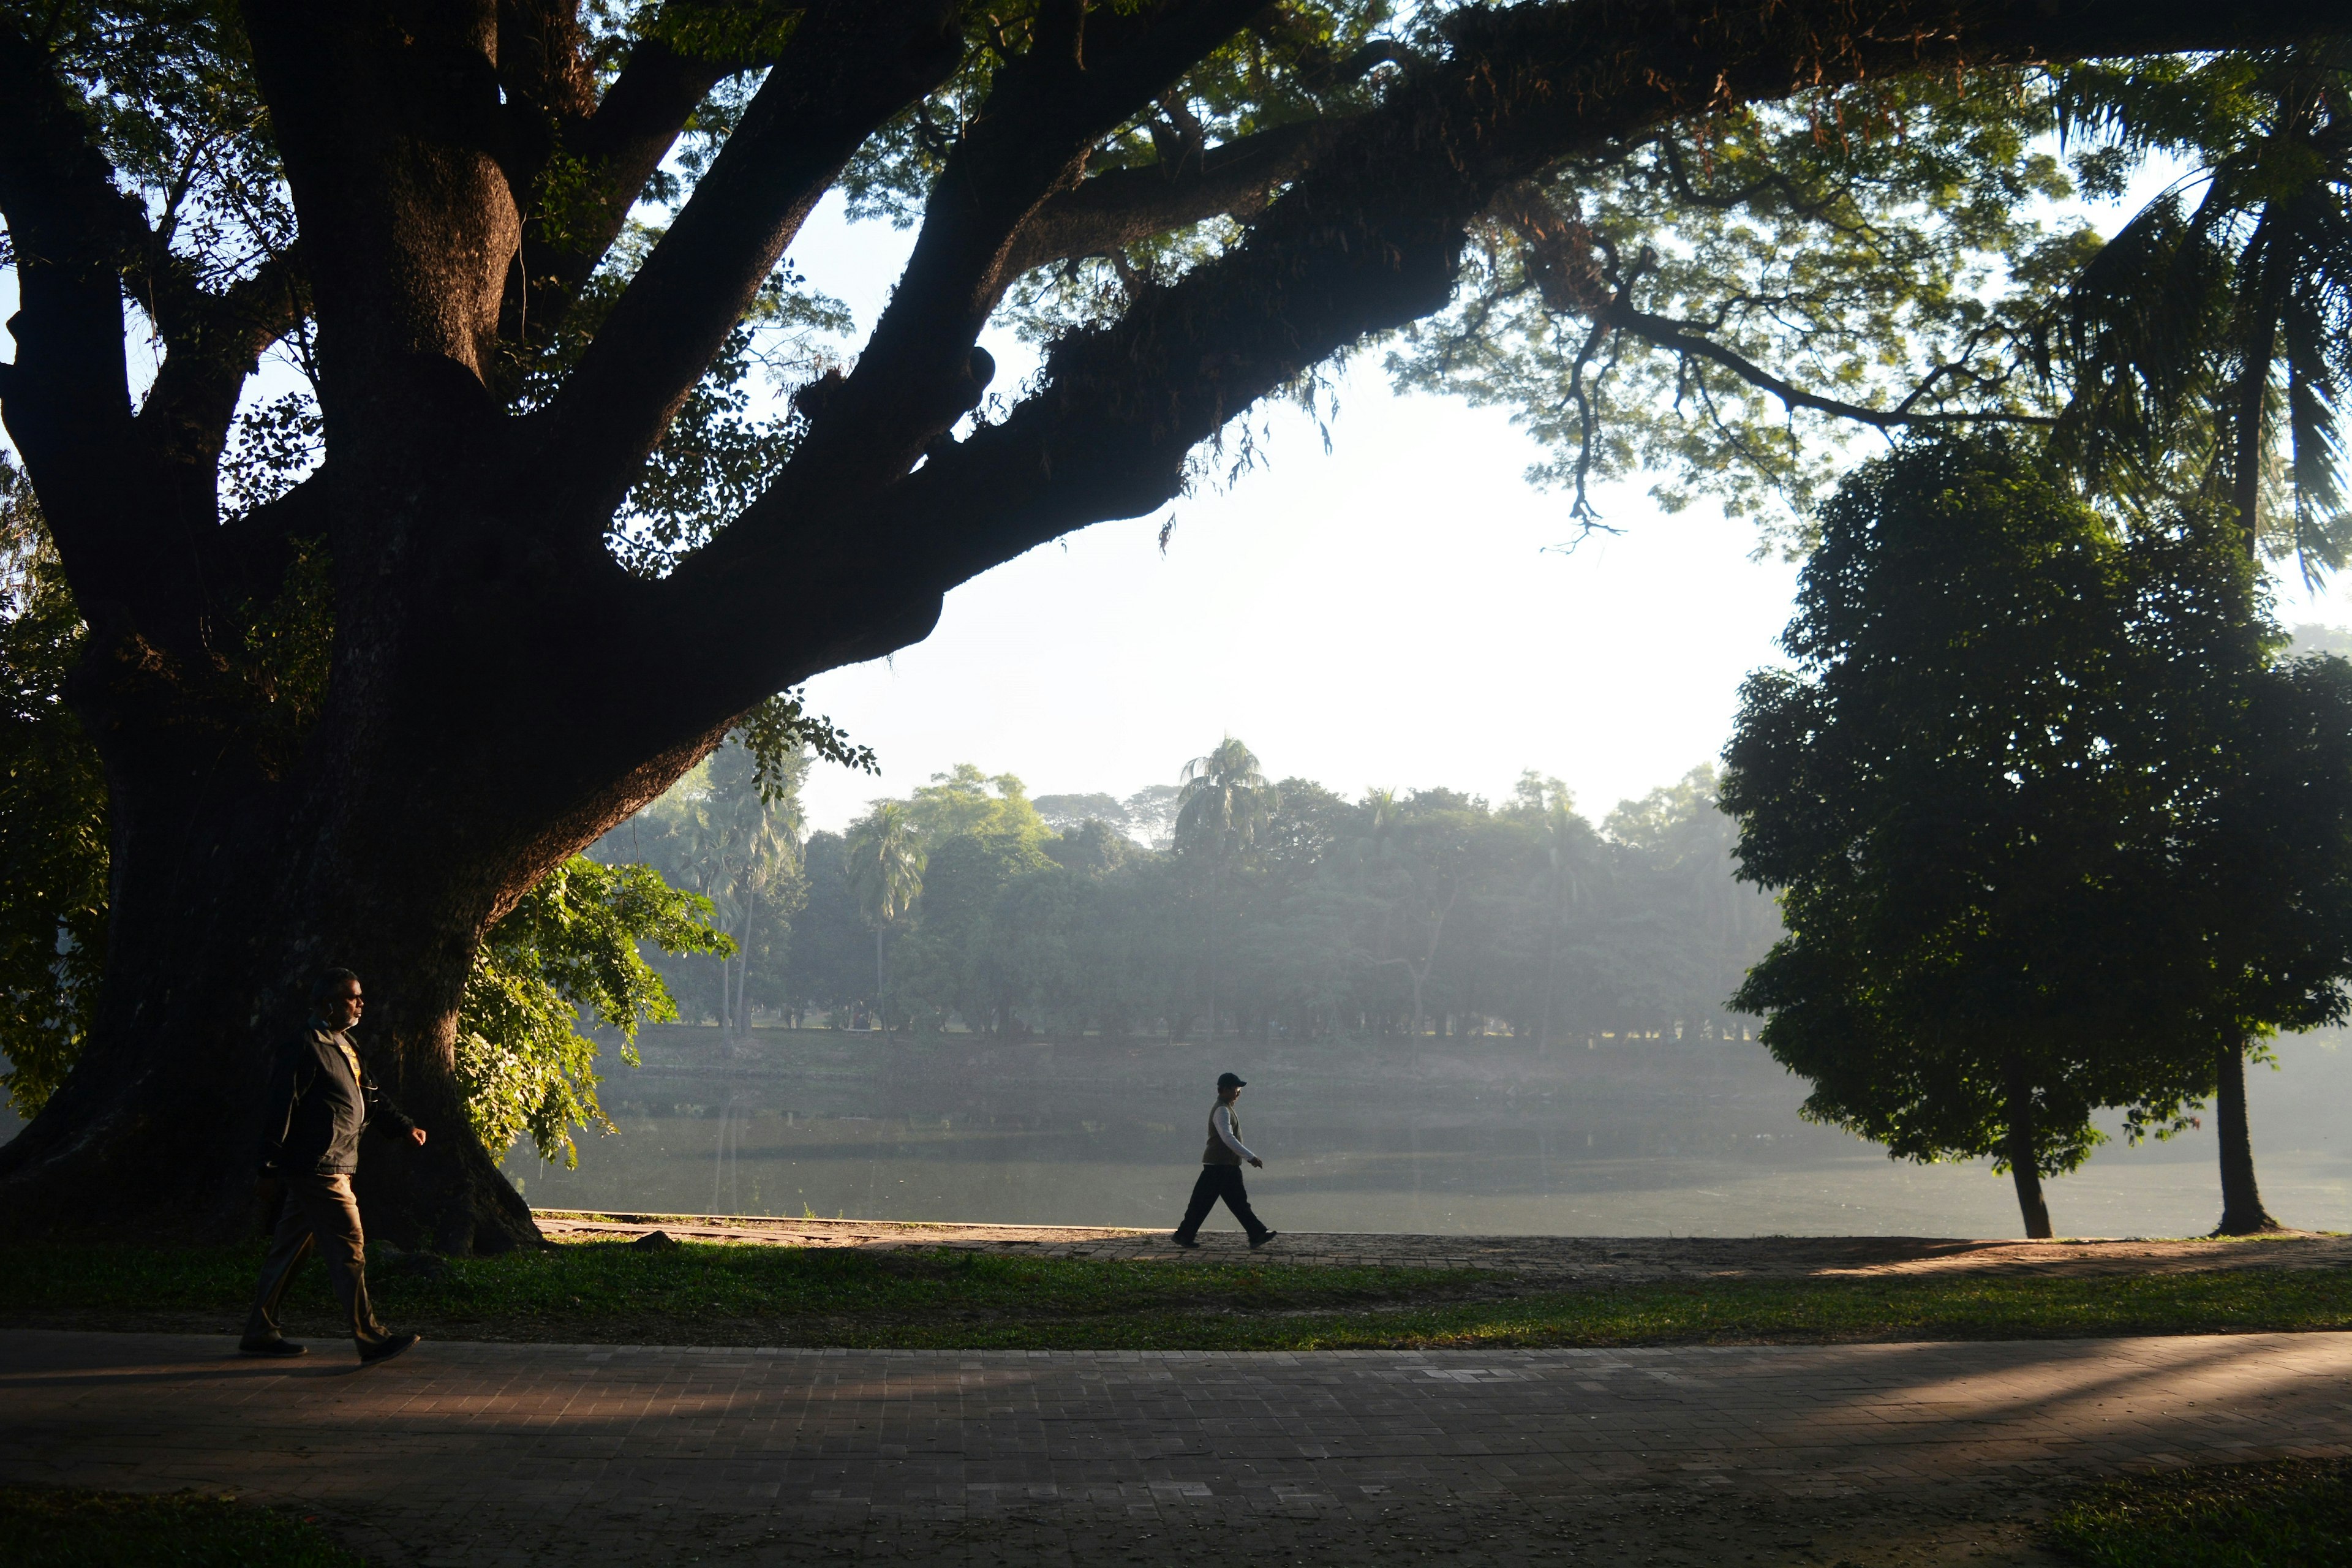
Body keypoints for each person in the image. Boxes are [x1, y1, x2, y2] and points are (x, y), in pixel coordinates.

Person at [241, 967, 426, 1365]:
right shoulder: (304, 1045)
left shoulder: (346, 1045)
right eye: (351, 997)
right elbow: (280, 1108)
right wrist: (268, 1167)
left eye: (359, 997)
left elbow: (371, 1098)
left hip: (336, 1163)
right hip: (319, 1168)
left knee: (288, 1251)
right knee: (350, 1248)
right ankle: (372, 1338)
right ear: (328, 1003)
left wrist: (405, 1127)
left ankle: (260, 1331)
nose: (360, 1003)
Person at [1172, 1071, 1278, 1250]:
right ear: (1226, 1089)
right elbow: (1227, 1138)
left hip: (1223, 1166)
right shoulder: (1222, 1110)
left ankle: (1185, 1235)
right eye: (1236, 1088)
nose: (1239, 1092)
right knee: (1220, 1203)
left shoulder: (1226, 1108)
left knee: (1216, 1203)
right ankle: (1256, 1234)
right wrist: (1250, 1157)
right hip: (1221, 1167)